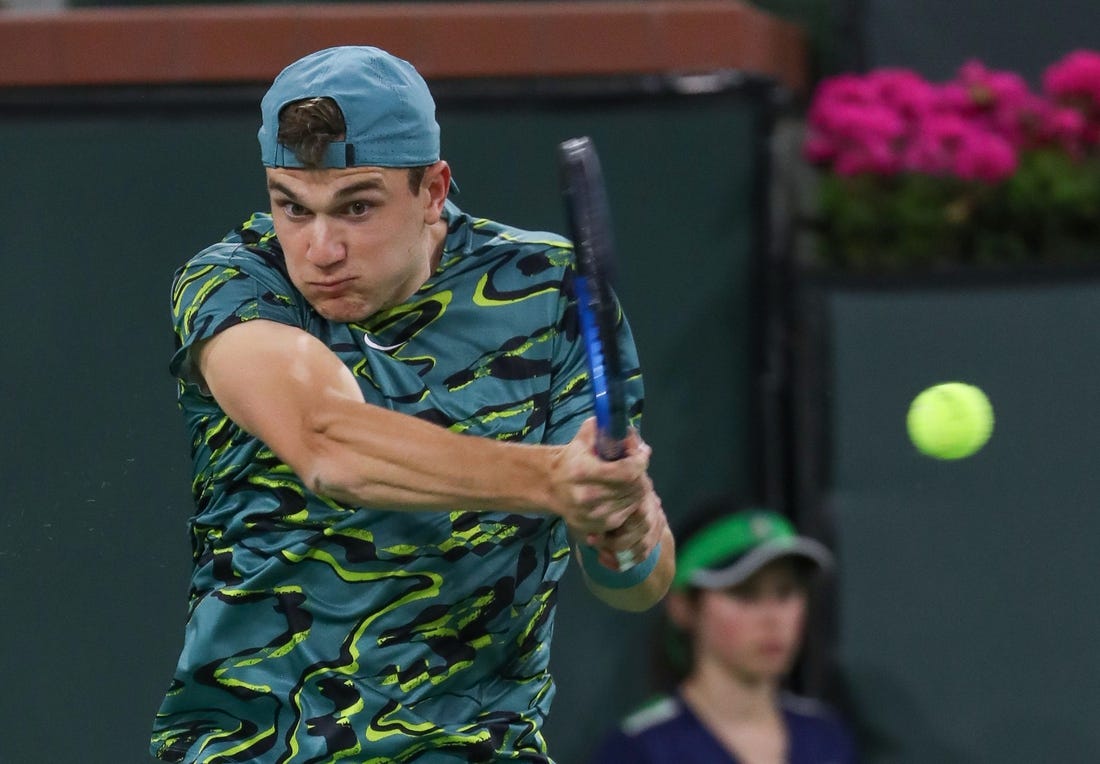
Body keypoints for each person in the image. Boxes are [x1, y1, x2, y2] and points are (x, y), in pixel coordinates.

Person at [151, 45, 674, 763]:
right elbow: (328, 443)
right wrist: (553, 479)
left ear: (432, 190)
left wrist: (623, 521)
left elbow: (639, 586)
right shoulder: (233, 285)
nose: (319, 248)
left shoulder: (548, 289)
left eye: (357, 206)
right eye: (290, 206)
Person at [589, 500, 858, 764]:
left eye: (785, 592)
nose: (773, 617)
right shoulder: (640, 749)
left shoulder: (826, 737)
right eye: (745, 593)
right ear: (683, 606)